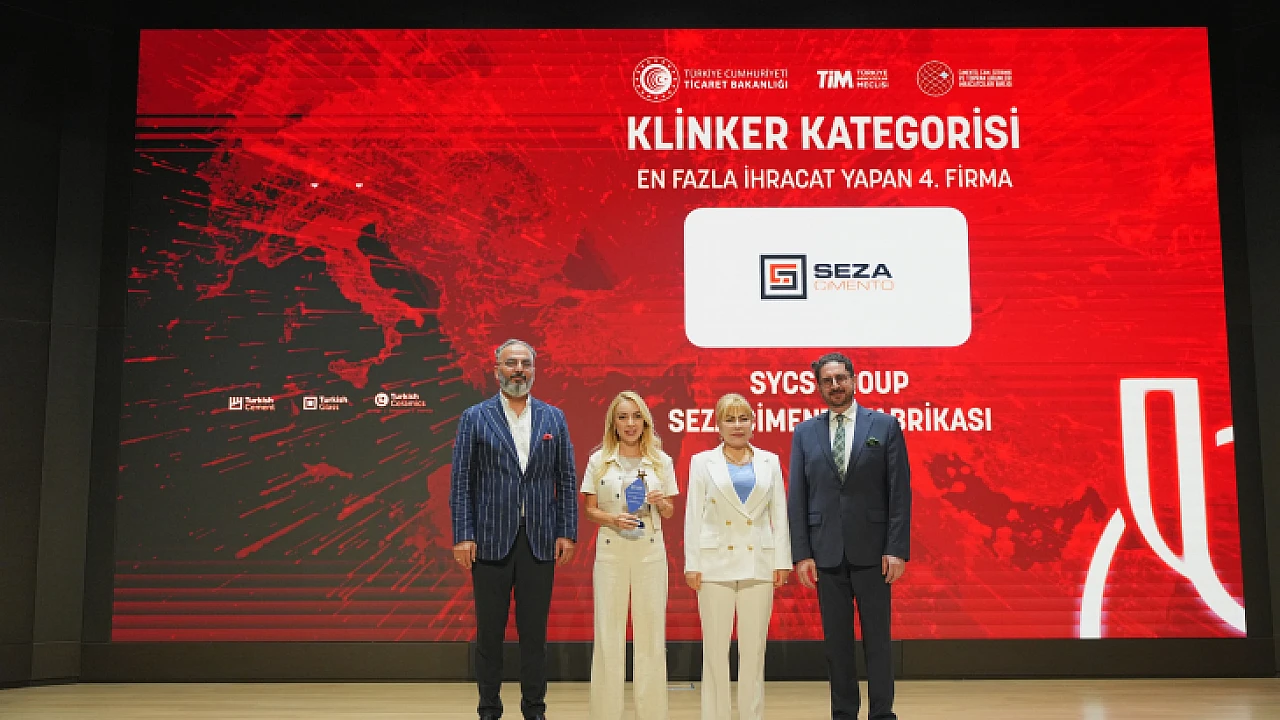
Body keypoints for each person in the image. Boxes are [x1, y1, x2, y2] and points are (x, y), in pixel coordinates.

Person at [449, 339, 578, 720]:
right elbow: (461, 481)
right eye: (511, 363)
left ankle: (534, 710)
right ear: (497, 370)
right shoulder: (475, 417)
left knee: (534, 635)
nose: (518, 369)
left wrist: (567, 531)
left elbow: (566, 479)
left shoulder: (554, 418)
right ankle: (488, 710)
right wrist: (463, 534)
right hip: (489, 540)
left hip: (540, 541)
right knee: (489, 634)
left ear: (534, 370)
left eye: (525, 363)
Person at [787, 352, 911, 720]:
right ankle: (843, 713)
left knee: (878, 641)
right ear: (819, 387)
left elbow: (899, 493)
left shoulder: (885, 425)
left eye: (841, 378)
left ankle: (882, 714)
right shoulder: (805, 432)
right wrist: (802, 554)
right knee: (836, 644)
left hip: (874, 553)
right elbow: (798, 496)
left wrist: (896, 548)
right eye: (827, 381)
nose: (835, 386)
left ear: (853, 380)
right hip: (826, 554)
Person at [684, 393, 792, 720]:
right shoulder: (702, 462)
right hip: (713, 564)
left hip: (759, 563)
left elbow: (779, 513)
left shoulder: (770, 461)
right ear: (718, 425)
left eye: (743, 418)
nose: (737, 425)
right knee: (715, 652)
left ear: (753, 423)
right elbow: (693, 514)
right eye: (729, 419)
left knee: (754, 651)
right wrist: (692, 563)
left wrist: (782, 560)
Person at [581, 391, 678, 720]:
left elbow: (669, 510)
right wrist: (612, 519)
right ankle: (605, 713)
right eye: (623, 417)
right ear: (614, 423)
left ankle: (652, 714)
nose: (630, 423)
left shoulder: (661, 461)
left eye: (636, 416)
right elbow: (590, 509)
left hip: (650, 551)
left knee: (651, 634)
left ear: (645, 421)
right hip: (611, 551)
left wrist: (661, 501)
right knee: (608, 633)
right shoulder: (599, 460)